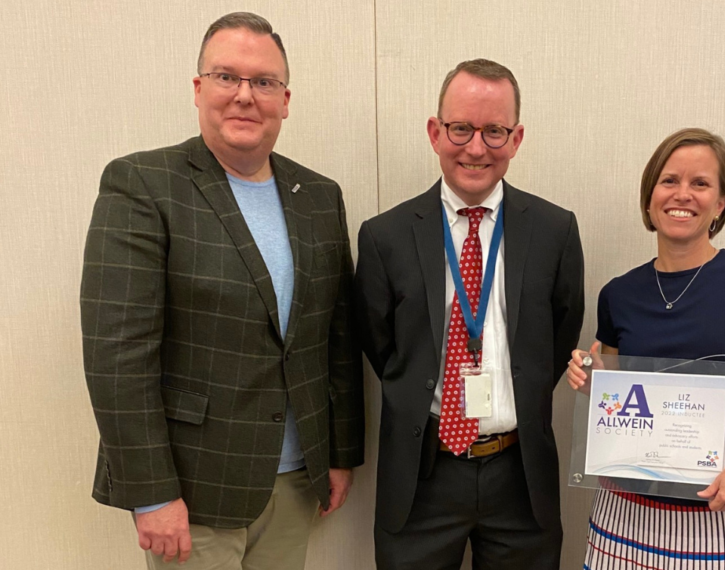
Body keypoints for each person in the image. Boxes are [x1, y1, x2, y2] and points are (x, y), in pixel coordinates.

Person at [80, 12, 364, 569]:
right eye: (226, 77)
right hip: (192, 490)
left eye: (263, 82)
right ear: (198, 88)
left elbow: (338, 340)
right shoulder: (142, 185)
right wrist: (152, 492)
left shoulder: (319, 196)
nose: (244, 96)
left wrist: (340, 452)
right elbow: (118, 358)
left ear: (285, 99)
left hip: (294, 480)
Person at [354, 59, 584, 570]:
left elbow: (556, 339)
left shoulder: (555, 232)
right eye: (461, 128)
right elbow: (382, 347)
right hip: (422, 476)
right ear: (436, 132)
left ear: (517, 137)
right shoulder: (384, 237)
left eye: (494, 131)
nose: (476, 147)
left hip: (519, 476)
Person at [567, 128, 725, 569]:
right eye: (669, 181)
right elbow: (614, 397)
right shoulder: (618, 293)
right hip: (624, 521)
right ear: (650, 197)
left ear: (721, 203)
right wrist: (589, 380)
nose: (682, 195)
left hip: (717, 515)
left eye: (700, 183)